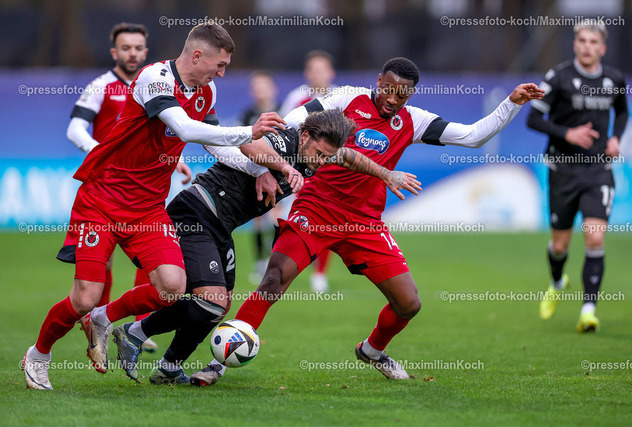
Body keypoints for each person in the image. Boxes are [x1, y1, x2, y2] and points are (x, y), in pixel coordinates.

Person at [205, 57, 544, 382]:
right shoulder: (345, 99)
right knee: (274, 279)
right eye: (388, 89)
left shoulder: (414, 121)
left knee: (408, 303)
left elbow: (473, 136)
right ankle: (220, 360)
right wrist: (268, 164)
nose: (393, 99)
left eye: (402, 94)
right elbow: (293, 122)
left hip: (364, 222)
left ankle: (372, 350)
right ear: (379, 81)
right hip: (316, 208)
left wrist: (511, 103)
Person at [22, 23, 287, 390]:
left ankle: (104, 318)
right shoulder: (155, 78)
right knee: (84, 297)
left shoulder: (206, 91)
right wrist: (248, 131)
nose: (222, 74)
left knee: (173, 286)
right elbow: (185, 129)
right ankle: (38, 355)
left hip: (148, 209)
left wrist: (259, 169)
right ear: (198, 55)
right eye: (220, 64)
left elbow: (215, 145)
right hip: (102, 200)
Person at [110, 108, 421, 385]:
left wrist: (386, 174)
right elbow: (244, 143)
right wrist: (275, 169)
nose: (322, 162)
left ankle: (168, 367)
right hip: (197, 212)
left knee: (218, 306)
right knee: (208, 300)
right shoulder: (284, 142)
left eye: (328, 157)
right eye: (320, 154)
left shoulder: (318, 152)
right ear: (305, 136)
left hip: (220, 226)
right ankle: (130, 330)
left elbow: (351, 157)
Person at [66, 22, 189, 354]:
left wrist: (174, 159)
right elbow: (75, 129)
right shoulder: (101, 86)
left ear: (145, 51)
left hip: (145, 187)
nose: (132, 53)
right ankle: (95, 327)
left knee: (153, 259)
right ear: (114, 52)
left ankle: (139, 325)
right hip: (106, 187)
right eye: (125, 48)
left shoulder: (157, 85)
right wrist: (100, 152)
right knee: (101, 266)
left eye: (137, 48)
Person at [527, 22, 627, 332]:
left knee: (595, 237)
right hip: (563, 171)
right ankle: (557, 281)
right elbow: (533, 118)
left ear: (602, 48)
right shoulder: (558, 77)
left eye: (593, 42)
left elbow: (622, 112)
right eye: (582, 40)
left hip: (598, 171)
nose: (587, 46)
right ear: (575, 44)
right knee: (560, 246)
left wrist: (616, 138)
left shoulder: (614, 79)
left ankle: (588, 309)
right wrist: (567, 133)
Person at [280, 50, 337, 293]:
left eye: (322, 69)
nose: (318, 74)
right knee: (295, 221)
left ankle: (319, 274)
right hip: (300, 171)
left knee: (327, 223)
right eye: (314, 70)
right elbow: (283, 129)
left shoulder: (341, 98)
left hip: (330, 173)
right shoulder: (297, 99)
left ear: (331, 73)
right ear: (307, 74)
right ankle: (282, 268)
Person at [239, 71, 282, 284]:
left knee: (276, 217)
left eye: (263, 86)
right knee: (257, 219)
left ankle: (275, 264)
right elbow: (240, 142)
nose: (260, 91)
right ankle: (259, 263)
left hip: (278, 170)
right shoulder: (247, 115)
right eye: (256, 87)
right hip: (254, 171)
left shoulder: (283, 111)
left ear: (273, 89)